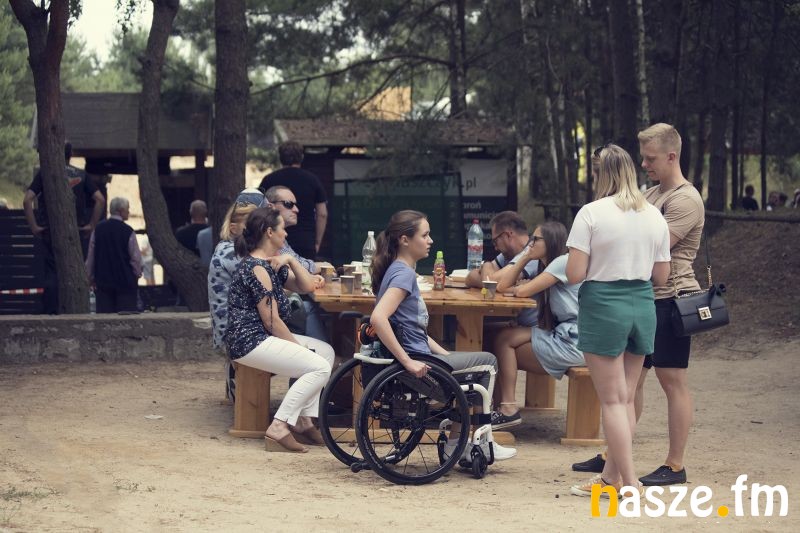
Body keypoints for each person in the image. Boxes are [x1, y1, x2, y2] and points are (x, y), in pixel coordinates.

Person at [565, 144, 671, 496]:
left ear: (600, 173)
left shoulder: (591, 213)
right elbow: (661, 275)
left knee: (612, 400)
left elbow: (575, 273)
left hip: (603, 305)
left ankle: (630, 481)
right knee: (625, 399)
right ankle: (611, 477)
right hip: (642, 303)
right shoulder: (654, 215)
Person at [369, 210, 517, 461]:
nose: (430, 240)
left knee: (468, 366)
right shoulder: (404, 274)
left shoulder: (396, 270)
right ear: (405, 240)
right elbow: (378, 318)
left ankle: (457, 442)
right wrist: (407, 362)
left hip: (420, 355)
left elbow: (413, 330)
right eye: (425, 235)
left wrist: (446, 355)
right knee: (489, 362)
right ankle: (478, 442)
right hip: (417, 362)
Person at [224, 207, 334, 453]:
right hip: (249, 342)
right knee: (319, 366)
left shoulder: (271, 264)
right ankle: (279, 426)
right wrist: (298, 348)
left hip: (261, 338)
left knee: (325, 352)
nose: (286, 233)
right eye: (282, 228)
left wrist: (291, 260)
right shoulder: (257, 268)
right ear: (269, 232)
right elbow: (271, 322)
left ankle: (304, 421)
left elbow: (306, 287)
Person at [490, 221, 583, 430]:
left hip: (574, 340)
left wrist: (522, 280)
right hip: (567, 334)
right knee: (501, 336)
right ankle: (501, 406)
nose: (530, 244)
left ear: (550, 241)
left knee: (502, 342)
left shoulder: (561, 262)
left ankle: (508, 409)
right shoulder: (548, 265)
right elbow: (503, 286)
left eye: (535, 239)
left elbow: (518, 291)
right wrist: (524, 261)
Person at [23, 142, 105, 314]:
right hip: (76, 231)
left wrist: (34, 226)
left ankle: (51, 312)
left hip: (50, 231)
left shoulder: (45, 174)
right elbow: (100, 200)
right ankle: (76, 310)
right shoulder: (81, 175)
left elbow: (27, 200)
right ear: (70, 154)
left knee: (52, 272)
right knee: (75, 269)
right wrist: (91, 225)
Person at [208, 189, 268, 400]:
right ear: (233, 227)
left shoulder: (231, 247)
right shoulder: (232, 252)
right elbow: (268, 278)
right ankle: (245, 398)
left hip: (231, 326)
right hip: (233, 331)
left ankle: (237, 386)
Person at [464, 211, 539, 351]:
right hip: (517, 322)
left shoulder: (531, 254)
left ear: (508, 235)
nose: (495, 247)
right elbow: (470, 277)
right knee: (475, 330)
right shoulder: (507, 255)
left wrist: (486, 268)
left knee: (480, 335)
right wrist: (488, 268)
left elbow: (493, 282)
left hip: (534, 327)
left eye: (495, 241)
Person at [264, 185, 329, 342]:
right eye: (289, 204)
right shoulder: (261, 258)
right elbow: (270, 320)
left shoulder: (279, 243)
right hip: (258, 339)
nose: (296, 210)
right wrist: (299, 348)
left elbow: (302, 281)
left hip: (270, 329)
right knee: (308, 307)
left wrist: (295, 264)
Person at [258, 141, 327, 259]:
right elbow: (322, 214)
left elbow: (259, 209)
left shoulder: (269, 179)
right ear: (301, 157)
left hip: (274, 238)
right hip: (305, 240)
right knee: (307, 270)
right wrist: (317, 242)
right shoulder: (312, 180)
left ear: (280, 157)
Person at [85, 197, 143, 313]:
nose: (129, 212)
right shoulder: (128, 231)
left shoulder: (98, 230)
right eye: (127, 209)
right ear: (121, 210)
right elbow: (135, 258)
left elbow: (91, 257)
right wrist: (137, 274)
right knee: (126, 319)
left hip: (103, 283)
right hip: (125, 284)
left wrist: (90, 277)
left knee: (105, 320)